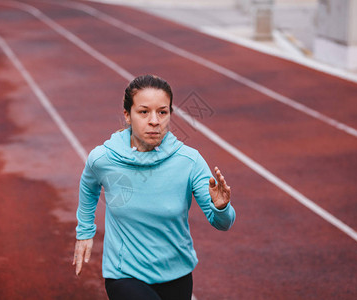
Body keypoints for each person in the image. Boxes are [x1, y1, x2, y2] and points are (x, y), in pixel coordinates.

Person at [73, 74, 236, 300]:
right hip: (124, 274)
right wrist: (85, 232)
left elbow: (223, 224)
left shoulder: (189, 161)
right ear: (127, 116)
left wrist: (221, 207)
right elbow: (89, 188)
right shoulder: (104, 159)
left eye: (162, 112)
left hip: (176, 274)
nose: (154, 120)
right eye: (143, 112)